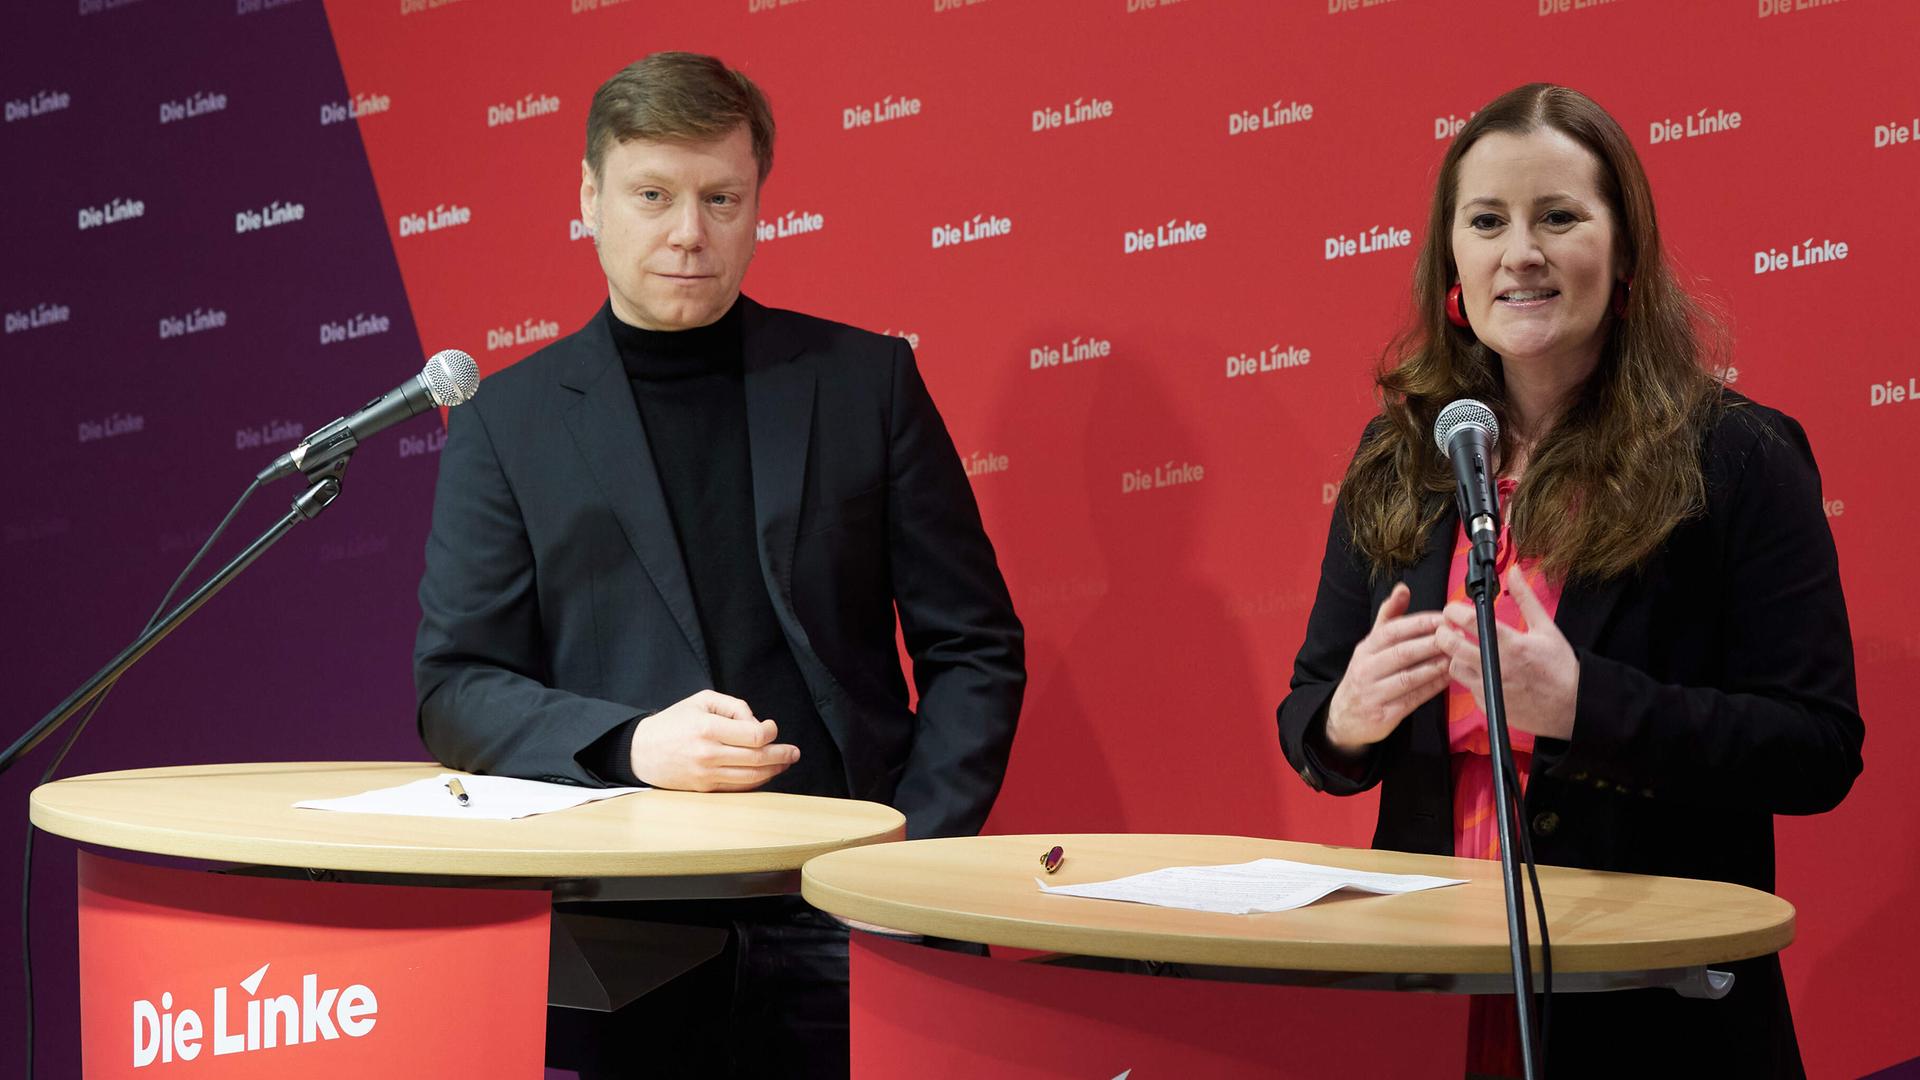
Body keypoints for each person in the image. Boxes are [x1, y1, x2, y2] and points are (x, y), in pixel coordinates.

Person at [413, 51, 1025, 1076]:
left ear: (756, 204)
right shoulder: (506, 425)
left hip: (855, 910)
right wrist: (630, 744)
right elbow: (456, 688)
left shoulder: (863, 382)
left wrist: (912, 853)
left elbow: (975, 647)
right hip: (628, 928)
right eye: (653, 195)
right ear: (590, 197)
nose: (690, 232)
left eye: (722, 198)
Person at [1275, 83, 1862, 1079]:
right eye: (1488, 221)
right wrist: (1350, 717)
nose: (1522, 253)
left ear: (1622, 248)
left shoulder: (1737, 457)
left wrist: (1588, 704)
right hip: (1430, 998)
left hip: (1647, 1010)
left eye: (1559, 217)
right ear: (1452, 259)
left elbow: (1815, 749)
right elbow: (1312, 725)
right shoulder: (1403, 455)